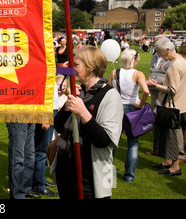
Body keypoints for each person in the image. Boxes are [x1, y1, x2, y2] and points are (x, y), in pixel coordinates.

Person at [54, 46, 123, 199]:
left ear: (91, 67)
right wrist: (67, 106)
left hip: (92, 174)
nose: (72, 68)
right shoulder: (79, 91)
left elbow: (105, 140)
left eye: (76, 65)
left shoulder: (110, 96)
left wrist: (83, 112)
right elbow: (58, 127)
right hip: (66, 170)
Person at [109, 48, 150, 182]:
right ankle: (129, 176)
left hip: (117, 108)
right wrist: (141, 104)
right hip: (132, 108)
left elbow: (109, 91)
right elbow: (146, 91)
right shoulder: (138, 74)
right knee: (133, 144)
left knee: (113, 141)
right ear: (135, 60)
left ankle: (107, 171)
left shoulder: (114, 73)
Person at [147, 38, 186, 176]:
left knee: (172, 138)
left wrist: (155, 85)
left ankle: (174, 167)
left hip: (172, 105)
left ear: (168, 50)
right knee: (172, 137)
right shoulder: (182, 61)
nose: (160, 56)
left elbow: (172, 89)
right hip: (180, 105)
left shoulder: (175, 65)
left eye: (160, 52)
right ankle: (168, 161)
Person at [31, 81, 59, 197]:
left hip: (50, 109)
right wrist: (45, 116)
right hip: (47, 110)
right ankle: (38, 184)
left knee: (42, 148)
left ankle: (40, 179)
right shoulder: (45, 65)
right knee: (41, 150)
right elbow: (41, 86)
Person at [146, 35, 172, 157]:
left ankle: (164, 149)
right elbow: (152, 70)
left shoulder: (171, 58)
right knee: (154, 116)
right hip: (154, 89)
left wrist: (158, 83)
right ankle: (156, 148)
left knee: (163, 119)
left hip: (164, 92)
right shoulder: (154, 56)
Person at [7, 121, 37, 199]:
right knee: (17, 158)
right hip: (17, 117)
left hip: (31, 115)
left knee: (30, 156)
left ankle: (25, 190)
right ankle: (18, 195)